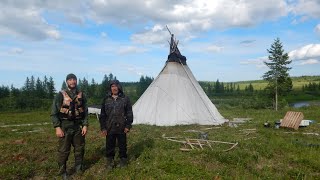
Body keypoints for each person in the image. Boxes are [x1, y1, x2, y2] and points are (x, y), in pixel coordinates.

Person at [50, 73, 88, 178]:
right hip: (64, 127)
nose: (72, 82)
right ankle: (63, 172)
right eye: (70, 80)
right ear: (67, 82)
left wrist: (85, 125)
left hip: (77, 127)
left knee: (80, 148)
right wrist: (57, 127)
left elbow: (85, 112)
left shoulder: (82, 95)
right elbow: (54, 113)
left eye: (74, 79)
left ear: (76, 81)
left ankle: (79, 168)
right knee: (63, 151)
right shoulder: (60, 95)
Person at [99, 80, 133, 169]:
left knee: (122, 145)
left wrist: (128, 125)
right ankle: (110, 161)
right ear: (110, 88)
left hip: (122, 126)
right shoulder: (106, 99)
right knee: (109, 145)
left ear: (119, 87)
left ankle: (123, 161)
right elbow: (102, 115)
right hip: (109, 126)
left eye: (116, 86)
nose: (114, 88)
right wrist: (103, 128)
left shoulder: (125, 98)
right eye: (112, 86)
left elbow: (129, 113)